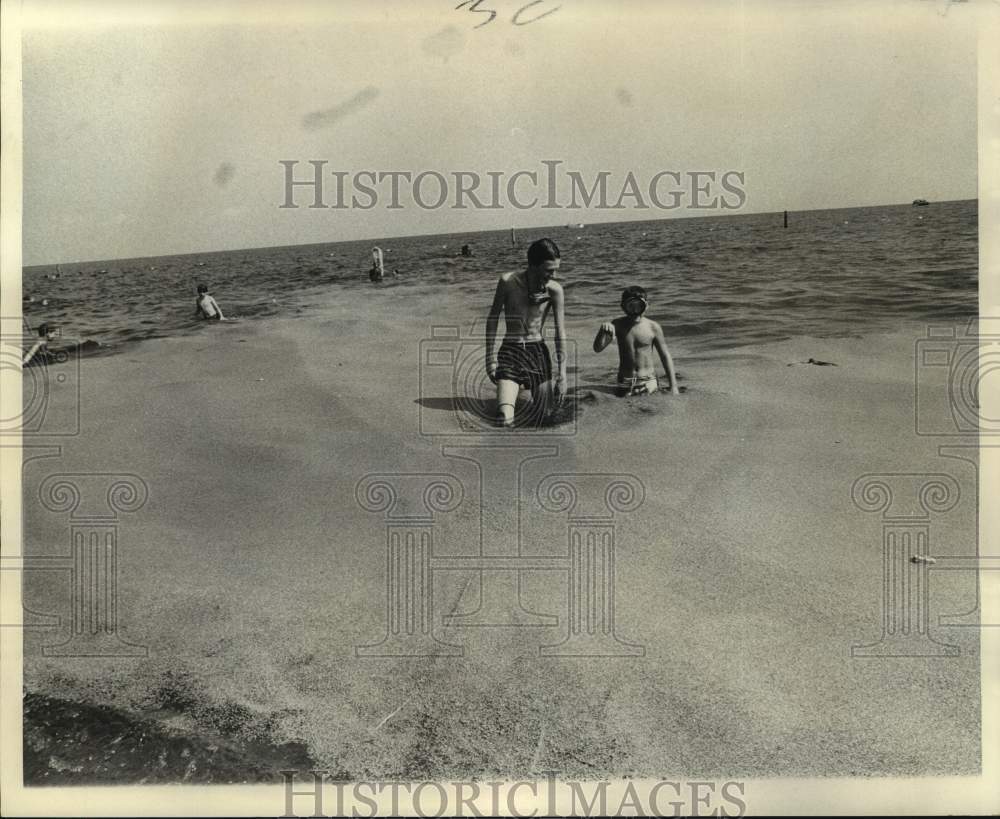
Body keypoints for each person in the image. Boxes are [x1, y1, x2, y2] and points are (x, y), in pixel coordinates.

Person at [485, 238, 567, 427]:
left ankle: (523, 390)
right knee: (504, 419)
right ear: (532, 265)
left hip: (537, 353)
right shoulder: (508, 282)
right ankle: (513, 390)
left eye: (556, 269)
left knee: (546, 418)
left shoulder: (555, 290)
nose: (553, 274)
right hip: (510, 353)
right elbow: (493, 318)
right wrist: (490, 359)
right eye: (548, 270)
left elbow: (560, 332)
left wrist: (562, 375)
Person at [593, 286, 679, 396]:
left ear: (646, 306)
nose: (634, 311)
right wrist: (602, 331)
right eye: (630, 306)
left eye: (638, 306)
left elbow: (665, 356)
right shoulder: (617, 325)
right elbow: (597, 348)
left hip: (648, 380)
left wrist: (674, 386)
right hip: (625, 382)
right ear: (623, 307)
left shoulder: (653, 327)